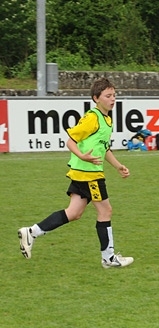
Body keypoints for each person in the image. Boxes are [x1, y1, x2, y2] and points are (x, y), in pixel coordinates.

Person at [18, 78, 134, 268]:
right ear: (96, 98)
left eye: (114, 95)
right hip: (89, 174)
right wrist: (82, 156)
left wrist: (118, 166)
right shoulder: (92, 118)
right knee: (105, 211)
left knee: (73, 213)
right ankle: (108, 258)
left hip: (83, 173)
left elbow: (103, 148)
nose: (113, 99)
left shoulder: (106, 119)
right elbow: (70, 140)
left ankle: (31, 232)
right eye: (108, 96)